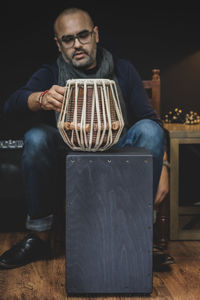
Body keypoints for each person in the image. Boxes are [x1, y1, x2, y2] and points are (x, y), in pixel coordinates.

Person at [0, 7, 168, 269]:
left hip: (116, 153)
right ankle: (40, 238)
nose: (77, 44)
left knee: (148, 130)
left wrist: (164, 167)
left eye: (83, 35)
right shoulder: (50, 73)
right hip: (68, 155)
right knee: (36, 137)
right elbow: (11, 105)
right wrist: (40, 98)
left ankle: (137, 238)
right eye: (68, 39)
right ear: (58, 44)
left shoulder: (123, 70)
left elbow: (153, 122)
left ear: (96, 34)